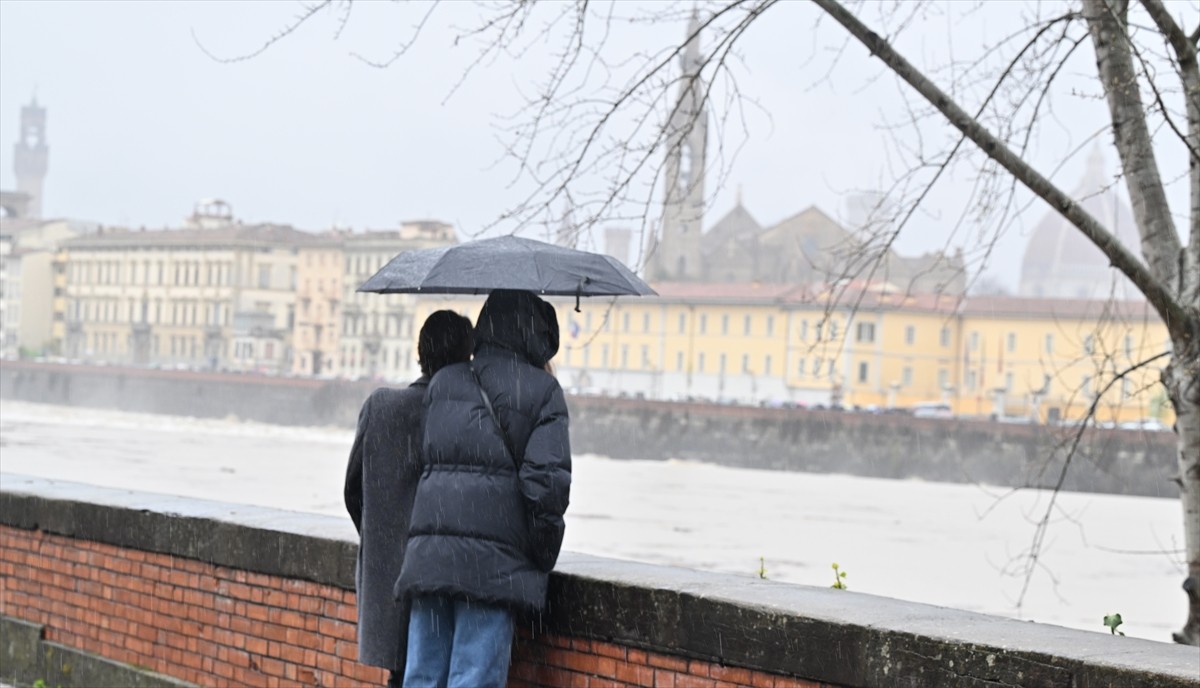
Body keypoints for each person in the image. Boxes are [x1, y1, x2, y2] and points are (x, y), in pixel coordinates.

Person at [396, 289, 572, 688]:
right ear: (538, 336)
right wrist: (541, 554)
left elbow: (429, 465)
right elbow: (547, 485)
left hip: (431, 558)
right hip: (491, 569)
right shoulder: (543, 392)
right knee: (473, 678)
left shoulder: (445, 381)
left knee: (421, 676)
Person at [344, 310, 474, 688]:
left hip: (389, 575)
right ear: (466, 358)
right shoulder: (464, 415)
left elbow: (353, 491)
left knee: (403, 674)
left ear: (420, 351)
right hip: (444, 576)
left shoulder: (382, 407)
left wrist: (382, 536)